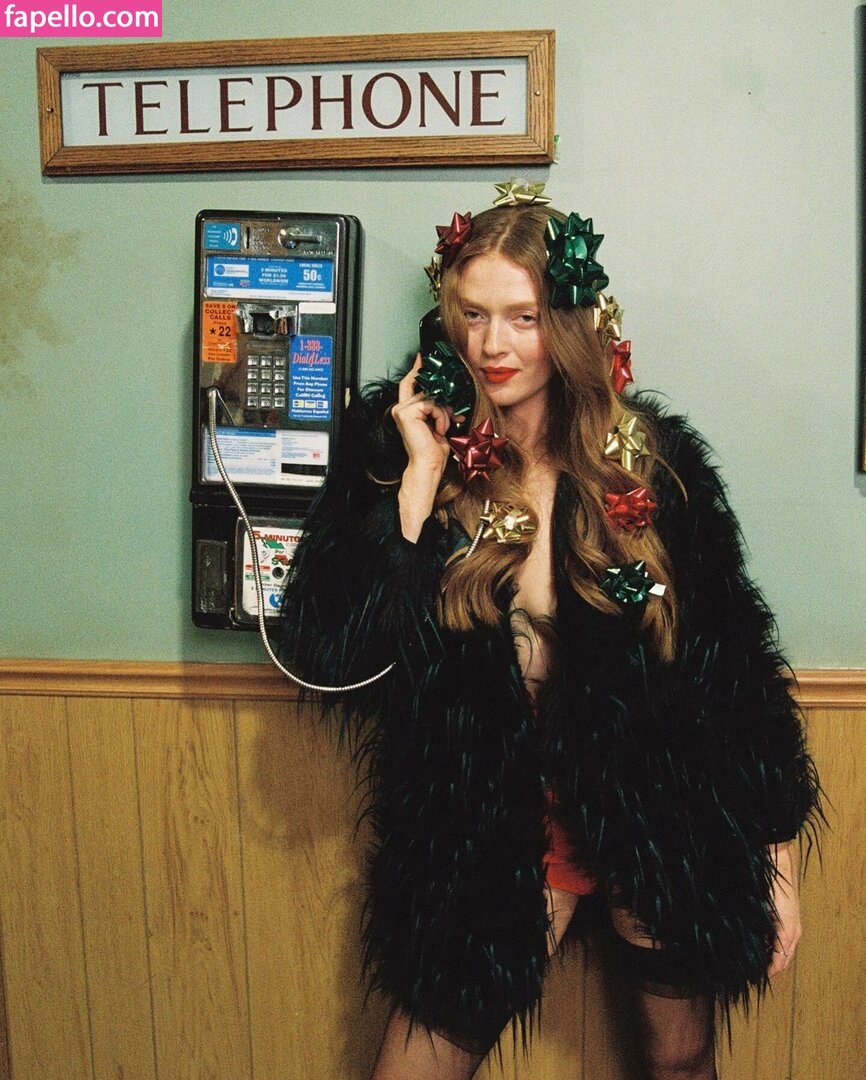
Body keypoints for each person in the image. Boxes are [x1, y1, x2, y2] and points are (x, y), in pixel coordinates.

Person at [279, 188, 820, 1080]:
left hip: (654, 799)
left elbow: (737, 673)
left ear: (566, 324)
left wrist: (776, 863)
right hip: (494, 810)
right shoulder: (400, 451)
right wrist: (415, 491)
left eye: (522, 318)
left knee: (683, 1062)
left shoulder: (653, 464)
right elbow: (329, 650)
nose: (492, 345)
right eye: (473, 315)